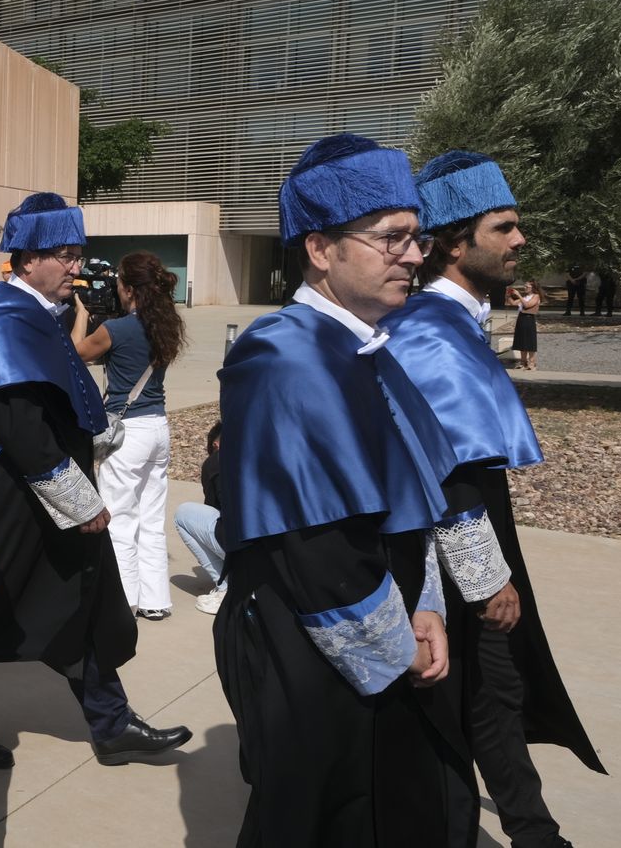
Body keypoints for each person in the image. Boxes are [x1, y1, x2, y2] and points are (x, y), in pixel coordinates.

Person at [216, 133, 466, 846]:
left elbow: (408, 497)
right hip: (313, 641)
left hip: (381, 620)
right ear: (321, 249)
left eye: (416, 238)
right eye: (393, 239)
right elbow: (316, 543)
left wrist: (426, 604)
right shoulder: (285, 353)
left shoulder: (363, 343)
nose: (415, 257)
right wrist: (399, 643)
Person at [384, 151, 605, 848]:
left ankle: (536, 832)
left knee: (493, 695)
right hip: (451, 556)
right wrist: (485, 575)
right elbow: (443, 470)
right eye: (504, 228)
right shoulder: (429, 329)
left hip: (474, 543)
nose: (520, 241)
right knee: (469, 697)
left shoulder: (454, 321)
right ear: (455, 242)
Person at [0, 192, 191, 768]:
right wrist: (80, 502)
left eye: (78, 254)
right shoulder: (5, 317)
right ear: (27, 259)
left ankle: (110, 725)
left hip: (50, 501)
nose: (76, 266)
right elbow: (20, 425)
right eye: (64, 254)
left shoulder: (39, 313)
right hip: (14, 503)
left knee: (81, 601)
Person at [71, 252, 187, 621]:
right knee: (151, 518)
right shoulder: (165, 325)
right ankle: (155, 600)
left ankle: (123, 601)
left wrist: (81, 315)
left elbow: (76, 354)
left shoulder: (116, 329)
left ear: (129, 288)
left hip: (127, 430)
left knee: (120, 517)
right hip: (158, 427)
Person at [174, 422, 225, 615]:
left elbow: (214, 511)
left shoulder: (216, 461)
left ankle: (226, 586)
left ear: (216, 445)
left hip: (244, 547)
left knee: (183, 514)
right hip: (279, 548)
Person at [507, 280, 540, 370]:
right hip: (521, 318)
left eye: (527, 287)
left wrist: (519, 295)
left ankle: (532, 362)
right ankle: (523, 361)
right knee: (522, 340)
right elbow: (513, 303)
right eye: (524, 286)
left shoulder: (536, 296)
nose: (525, 288)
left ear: (533, 288)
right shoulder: (525, 297)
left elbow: (527, 305)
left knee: (530, 340)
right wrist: (509, 295)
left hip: (529, 318)